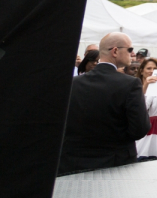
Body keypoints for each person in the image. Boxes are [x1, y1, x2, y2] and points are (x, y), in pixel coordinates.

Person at [58, 32, 151, 174]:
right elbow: (139, 129)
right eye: (130, 49)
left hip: (72, 162)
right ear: (115, 51)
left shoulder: (73, 83)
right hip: (115, 165)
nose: (132, 54)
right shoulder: (130, 84)